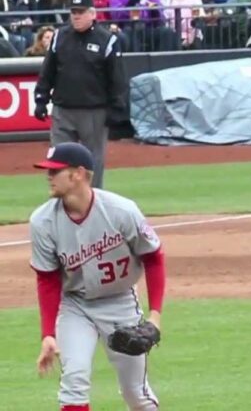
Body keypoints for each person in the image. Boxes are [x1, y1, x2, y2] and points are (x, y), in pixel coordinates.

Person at [30, 142, 166, 411]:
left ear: (78, 174)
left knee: (135, 393)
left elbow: (153, 258)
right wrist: (48, 334)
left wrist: (155, 317)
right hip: (75, 306)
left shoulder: (121, 211)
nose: (48, 176)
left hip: (120, 302)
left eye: (55, 171)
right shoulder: (42, 222)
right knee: (74, 384)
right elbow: (47, 279)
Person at [33, 0, 127, 189]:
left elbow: (116, 78)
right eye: (73, 12)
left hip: (94, 110)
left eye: (80, 12)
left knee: (93, 161)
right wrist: (41, 99)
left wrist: (117, 108)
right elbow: (47, 71)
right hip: (63, 109)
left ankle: (94, 201)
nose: (76, 16)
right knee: (58, 158)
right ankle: (61, 199)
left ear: (92, 14)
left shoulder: (107, 40)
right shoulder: (60, 36)